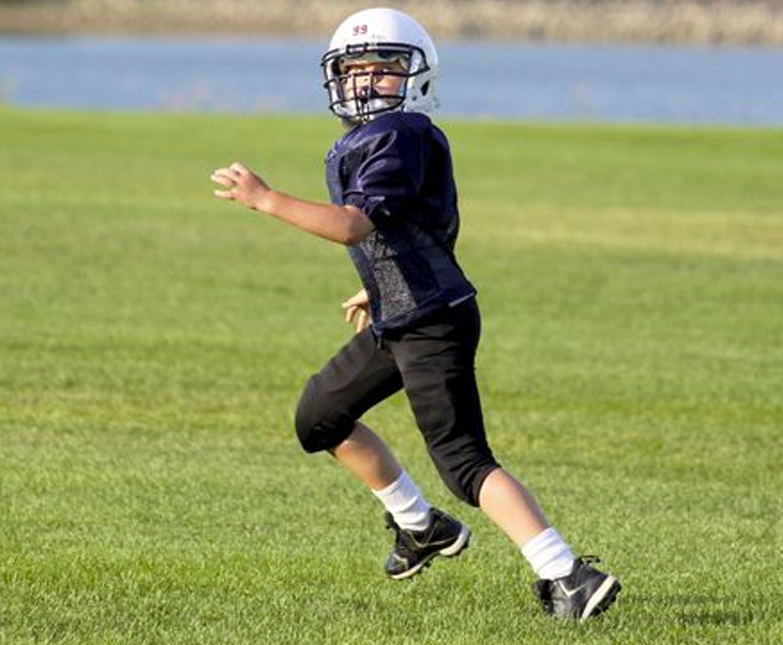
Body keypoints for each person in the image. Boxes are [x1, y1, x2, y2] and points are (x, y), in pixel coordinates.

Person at [209, 7, 620, 621]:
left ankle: (568, 575)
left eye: (384, 68)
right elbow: (419, 229)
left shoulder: (400, 134)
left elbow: (354, 225)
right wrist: (378, 286)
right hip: (402, 315)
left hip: (430, 323)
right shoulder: (383, 136)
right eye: (356, 69)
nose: (367, 81)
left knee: (464, 463)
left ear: (416, 76)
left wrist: (266, 199)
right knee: (319, 417)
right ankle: (420, 526)